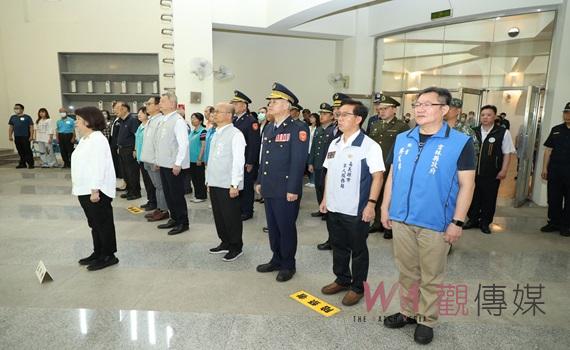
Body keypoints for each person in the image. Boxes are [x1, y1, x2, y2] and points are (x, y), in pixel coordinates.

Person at [381, 86, 476, 345]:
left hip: (436, 222)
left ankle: (426, 320)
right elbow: (393, 174)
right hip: (401, 217)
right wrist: (384, 207)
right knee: (406, 271)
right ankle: (408, 312)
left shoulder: (460, 142)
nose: (420, 109)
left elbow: (468, 185)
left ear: (444, 110)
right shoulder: (403, 138)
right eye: (417, 104)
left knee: (431, 275)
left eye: (427, 104)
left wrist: (457, 221)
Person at [319, 100, 385, 306]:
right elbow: (329, 171)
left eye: (345, 115)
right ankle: (342, 279)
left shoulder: (369, 146)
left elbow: (378, 177)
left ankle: (358, 287)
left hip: (356, 209)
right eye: (338, 114)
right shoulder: (335, 143)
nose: (339, 118)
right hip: (334, 206)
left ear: (358, 119)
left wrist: (371, 204)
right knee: (338, 246)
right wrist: (325, 199)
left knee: (357, 250)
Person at [255, 82, 309, 282]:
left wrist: (293, 188)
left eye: (275, 101)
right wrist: (260, 180)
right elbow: (264, 157)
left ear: (287, 105)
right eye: (270, 101)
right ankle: (276, 258)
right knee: (273, 226)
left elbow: (298, 161)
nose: (270, 104)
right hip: (269, 186)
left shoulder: (298, 128)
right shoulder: (269, 128)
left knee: (286, 227)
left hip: (286, 188)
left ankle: (288, 264)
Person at [72, 106, 118, 271]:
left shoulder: (98, 139)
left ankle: (108, 255)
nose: (75, 123)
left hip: (95, 190)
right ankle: (98, 252)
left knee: (103, 223)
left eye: (78, 119)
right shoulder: (86, 139)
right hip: (84, 188)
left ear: (88, 120)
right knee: (95, 223)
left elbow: (98, 166)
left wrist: (94, 189)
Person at [464, 105, 516, 234]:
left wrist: (503, 170)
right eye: (483, 115)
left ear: (494, 116)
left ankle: (485, 223)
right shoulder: (473, 131)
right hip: (473, 173)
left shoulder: (502, 132)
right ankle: (472, 220)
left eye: (489, 115)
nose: (485, 117)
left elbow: (507, 153)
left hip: (492, 173)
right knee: (473, 197)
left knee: (489, 198)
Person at [206, 102, 247, 261]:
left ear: (229, 115)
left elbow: (238, 161)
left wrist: (234, 184)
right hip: (215, 182)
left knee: (231, 216)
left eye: (217, 111)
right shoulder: (216, 132)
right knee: (219, 215)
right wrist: (208, 180)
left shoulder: (236, 134)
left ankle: (236, 246)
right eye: (214, 111)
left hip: (228, 184)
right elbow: (213, 159)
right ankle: (225, 241)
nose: (214, 114)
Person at [367, 93, 409, 238]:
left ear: (394, 109)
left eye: (385, 109)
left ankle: (389, 226)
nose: (381, 112)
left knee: (390, 196)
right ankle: (377, 223)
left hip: (392, 167)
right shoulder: (375, 125)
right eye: (379, 109)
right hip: (376, 166)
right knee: (376, 195)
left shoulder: (402, 127)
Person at [155, 92, 190, 235]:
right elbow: (161, 143)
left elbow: (183, 144)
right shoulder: (164, 119)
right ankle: (174, 218)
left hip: (173, 165)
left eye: (163, 101)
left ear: (171, 103)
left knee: (176, 195)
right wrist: (158, 160)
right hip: (164, 164)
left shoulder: (178, 121)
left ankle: (183, 222)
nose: (160, 104)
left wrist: (178, 163)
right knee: (169, 194)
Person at [308, 103, 337, 250]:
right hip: (319, 164)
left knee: (326, 188)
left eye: (325, 114)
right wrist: (311, 162)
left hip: (328, 166)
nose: (322, 116)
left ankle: (327, 209)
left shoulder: (334, 130)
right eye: (321, 113)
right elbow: (314, 147)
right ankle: (322, 207)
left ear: (332, 116)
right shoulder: (319, 129)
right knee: (319, 188)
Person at [540, 102, 570, 237]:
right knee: (553, 198)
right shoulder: (556, 129)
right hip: (555, 171)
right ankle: (554, 222)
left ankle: (566, 225)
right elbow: (548, 150)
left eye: (569, 113)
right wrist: (544, 168)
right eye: (565, 112)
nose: (567, 115)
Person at [231, 90, 261, 221]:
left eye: (236, 104)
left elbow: (254, 144)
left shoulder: (251, 121)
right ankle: (239, 208)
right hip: (235, 160)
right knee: (237, 184)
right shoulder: (234, 120)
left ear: (244, 106)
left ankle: (247, 211)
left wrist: (250, 162)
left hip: (245, 161)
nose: (234, 106)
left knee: (247, 187)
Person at [140, 96, 170, 223]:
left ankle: (164, 211)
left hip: (154, 160)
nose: (147, 105)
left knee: (160, 186)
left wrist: (158, 160)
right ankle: (159, 208)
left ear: (158, 106)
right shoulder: (151, 120)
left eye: (150, 103)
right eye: (146, 103)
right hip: (147, 159)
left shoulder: (160, 121)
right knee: (156, 186)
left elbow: (159, 143)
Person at [114, 101, 141, 200]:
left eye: (117, 108)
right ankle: (129, 191)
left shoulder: (132, 120)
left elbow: (137, 136)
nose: (114, 110)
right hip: (122, 150)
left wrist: (135, 149)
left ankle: (136, 192)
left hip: (130, 150)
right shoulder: (121, 121)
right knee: (125, 172)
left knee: (132, 172)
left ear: (125, 108)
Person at [134, 106, 157, 212]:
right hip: (141, 157)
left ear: (147, 115)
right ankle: (150, 200)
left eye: (141, 113)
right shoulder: (140, 126)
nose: (139, 115)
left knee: (151, 182)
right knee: (146, 182)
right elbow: (137, 139)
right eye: (138, 113)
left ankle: (154, 202)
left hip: (148, 158)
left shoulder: (149, 125)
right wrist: (135, 150)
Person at [188, 112, 208, 203]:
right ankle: (197, 195)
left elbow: (203, 146)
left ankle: (202, 195)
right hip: (191, 159)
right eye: (192, 118)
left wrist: (200, 158)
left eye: (195, 118)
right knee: (194, 179)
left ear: (200, 120)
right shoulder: (192, 131)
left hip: (198, 160)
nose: (192, 120)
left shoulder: (203, 131)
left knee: (200, 178)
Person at [8, 104, 34, 169]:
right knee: (20, 150)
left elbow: (31, 127)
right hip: (17, 136)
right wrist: (10, 135)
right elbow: (11, 127)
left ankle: (30, 164)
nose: (16, 109)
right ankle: (22, 164)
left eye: (18, 108)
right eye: (15, 108)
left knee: (27, 150)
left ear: (22, 109)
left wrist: (31, 136)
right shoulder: (12, 117)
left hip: (25, 136)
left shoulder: (27, 117)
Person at [108, 103, 125, 190]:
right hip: (113, 143)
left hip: (119, 144)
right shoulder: (115, 119)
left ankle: (124, 182)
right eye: (114, 108)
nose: (114, 110)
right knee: (116, 162)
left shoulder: (122, 120)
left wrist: (118, 145)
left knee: (121, 164)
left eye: (116, 108)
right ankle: (121, 182)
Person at [305, 112, 320, 188]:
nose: (311, 119)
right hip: (307, 148)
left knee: (313, 165)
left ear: (316, 119)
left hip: (313, 149)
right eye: (310, 117)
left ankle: (313, 181)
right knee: (308, 164)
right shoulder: (308, 127)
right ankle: (310, 180)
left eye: (312, 117)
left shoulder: (318, 128)